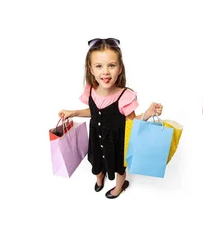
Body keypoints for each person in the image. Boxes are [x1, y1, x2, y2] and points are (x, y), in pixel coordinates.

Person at [59, 38, 163, 199]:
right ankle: (100, 178)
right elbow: (94, 111)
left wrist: (148, 113)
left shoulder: (124, 96)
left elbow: (131, 123)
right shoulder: (91, 91)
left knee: (118, 167)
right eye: (99, 66)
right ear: (91, 69)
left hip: (117, 143)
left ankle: (120, 186)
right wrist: (74, 113)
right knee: (96, 162)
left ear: (120, 68)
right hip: (96, 139)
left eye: (111, 65)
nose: (105, 72)